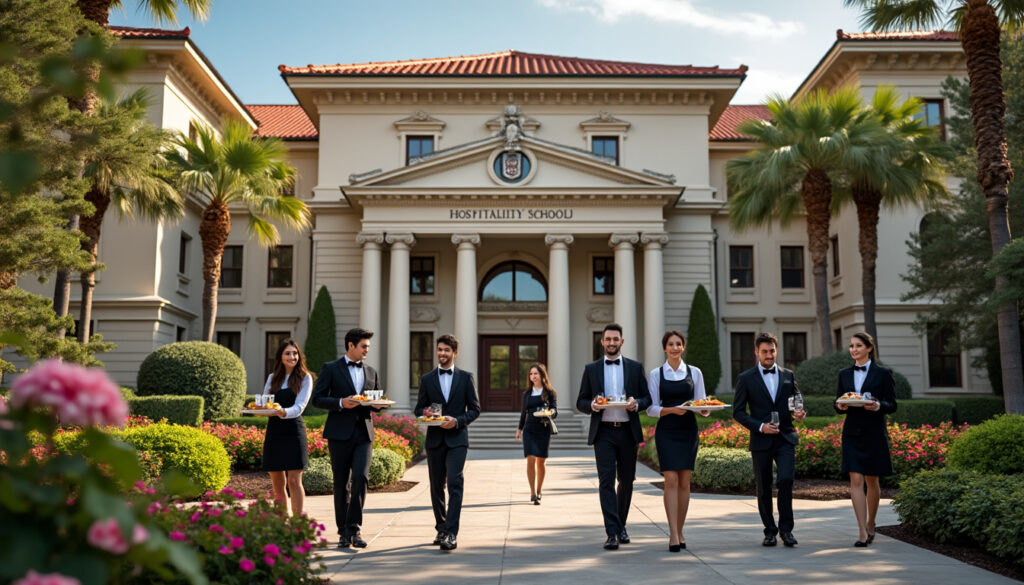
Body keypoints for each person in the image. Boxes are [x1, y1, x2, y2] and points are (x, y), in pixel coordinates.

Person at [576, 323, 651, 551]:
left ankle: (621, 525)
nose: (611, 343)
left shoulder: (635, 368)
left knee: (626, 481)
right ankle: (611, 532)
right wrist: (592, 405)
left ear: (622, 341)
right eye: (607, 339)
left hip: (628, 431)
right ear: (602, 342)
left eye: (615, 339)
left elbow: (647, 398)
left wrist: (636, 403)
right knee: (606, 482)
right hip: (604, 432)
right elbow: (580, 401)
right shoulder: (591, 369)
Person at [311, 328, 383, 549]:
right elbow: (318, 399)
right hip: (339, 433)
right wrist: (341, 402)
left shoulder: (371, 371)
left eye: (368, 347)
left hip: (364, 433)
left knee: (360, 478)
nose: (366, 351)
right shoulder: (331, 369)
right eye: (364, 347)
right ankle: (343, 532)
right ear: (351, 345)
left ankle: (355, 529)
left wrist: (378, 406)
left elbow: (377, 399)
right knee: (341, 483)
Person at [732, 332, 806, 548]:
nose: (769, 355)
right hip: (761, 440)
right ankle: (770, 531)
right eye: (764, 351)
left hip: (785, 438)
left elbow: (797, 404)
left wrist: (800, 414)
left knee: (785, 480)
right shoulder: (746, 378)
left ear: (776, 350)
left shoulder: (788, 375)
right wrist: (761, 426)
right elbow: (738, 412)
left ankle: (786, 530)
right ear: (756, 352)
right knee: (763, 487)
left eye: (772, 351)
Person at [414, 334, 481, 552]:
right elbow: (418, 408)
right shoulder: (427, 379)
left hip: (457, 439)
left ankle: (451, 533)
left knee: (455, 483)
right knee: (435, 487)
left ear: (455, 353)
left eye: (446, 350)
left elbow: (475, 409)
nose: (442, 353)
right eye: (440, 349)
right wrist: (424, 413)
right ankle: (441, 528)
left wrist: (458, 421)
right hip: (434, 440)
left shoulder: (466, 378)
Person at [645, 330, 710, 552]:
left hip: (688, 431)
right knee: (670, 480)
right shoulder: (656, 374)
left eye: (678, 344)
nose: (675, 347)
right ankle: (673, 534)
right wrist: (672, 409)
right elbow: (651, 408)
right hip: (667, 431)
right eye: (671, 344)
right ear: (665, 348)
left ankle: (680, 531)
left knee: (684, 482)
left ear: (683, 347)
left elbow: (702, 403)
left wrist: (704, 410)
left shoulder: (695, 372)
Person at [835, 331, 897, 547]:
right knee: (856, 480)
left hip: (874, 433)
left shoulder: (883, 374)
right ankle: (862, 531)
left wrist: (878, 406)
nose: (854, 350)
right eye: (851, 346)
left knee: (872, 480)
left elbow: (892, 404)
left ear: (869, 348)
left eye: (858, 346)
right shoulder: (843, 374)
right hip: (852, 433)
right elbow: (839, 401)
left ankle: (871, 523)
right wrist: (840, 405)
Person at [262, 338, 313, 516]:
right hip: (274, 431)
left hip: (293, 430)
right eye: (288, 353)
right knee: (277, 482)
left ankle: (298, 520)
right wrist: (261, 410)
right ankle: (281, 521)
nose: (292, 356)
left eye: (295, 353)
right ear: (280, 357)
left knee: (293, 480)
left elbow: (300, 407)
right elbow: (266, 403)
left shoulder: (305, 378)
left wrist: (282, 412)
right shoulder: (272, 378)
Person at [515, 363, 558, 504]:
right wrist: (519, 429)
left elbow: (554, 410)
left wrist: (551, 412)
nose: (533, 376)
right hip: (529, 429)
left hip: (543, 428)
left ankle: (539, 490)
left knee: (541, 462)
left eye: (535, 373)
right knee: (531, 458)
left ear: (542, 375)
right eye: (531, 374)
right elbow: (523, 412)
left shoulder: (550, 392)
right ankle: (532, 493)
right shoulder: (526, 394)